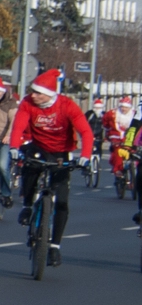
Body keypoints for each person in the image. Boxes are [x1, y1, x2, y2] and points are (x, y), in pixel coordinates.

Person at [8, 69, 94, 267]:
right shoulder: (27, 103)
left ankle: (55, 246)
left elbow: (86, 132)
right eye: (33, 91)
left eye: (38, 93)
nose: (33, 95)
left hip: (61, 153)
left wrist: (85, 156)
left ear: (49, 94)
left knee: (62, 202)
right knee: (29, 167)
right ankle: (27, 206)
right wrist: (14, 147)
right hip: (39, 148)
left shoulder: (67, 105)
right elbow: (18, 126)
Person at [105, 98, 134, 178]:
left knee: (134, 152)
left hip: (129, 138)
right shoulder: (113, 114)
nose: (124, 109)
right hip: (116, 137)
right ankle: (118, 170)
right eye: (122, 107)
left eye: (126, 107)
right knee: (117, 151)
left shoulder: (134, 114)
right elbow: (106, 124)